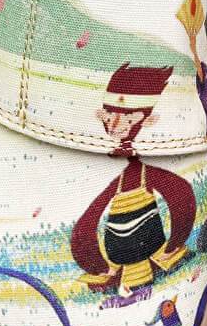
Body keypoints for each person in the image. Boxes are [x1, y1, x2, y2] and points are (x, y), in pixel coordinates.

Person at [71, 64, 196, 297]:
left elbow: (179, 193)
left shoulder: (142, 173)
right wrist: (93, 260)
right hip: (120, 252)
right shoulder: (122, 178)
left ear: (146, 121)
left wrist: (176, 240)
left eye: (126, 119)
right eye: (110, 117)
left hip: (150, 244)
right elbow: (91, 216)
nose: (115, 125)